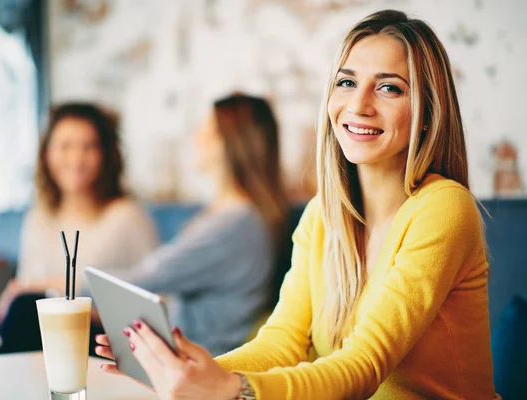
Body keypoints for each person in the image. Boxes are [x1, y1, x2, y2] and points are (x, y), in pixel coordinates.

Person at [94, 10, 499, 399]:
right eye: (346, 83)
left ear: (428, 112)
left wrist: (229, 390)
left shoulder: (445, 208)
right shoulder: (321, 217)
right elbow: (281, 343)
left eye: (389, 87)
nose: (359, 105)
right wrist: (186, 374)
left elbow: (363, 366)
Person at [94, 93, 290, 356]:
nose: (196, 137)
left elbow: (143, 278)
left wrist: (62, 284)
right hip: (182, 354)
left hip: (199, 361)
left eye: (206, 130)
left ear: (228, 144)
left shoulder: (235, 225)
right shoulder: (230, 216)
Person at [0, 102, 158, 336]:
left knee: (25, 308)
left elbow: (158, 302)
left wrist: (74, 311)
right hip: (44, 334)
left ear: (105, 154)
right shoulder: (39, 216)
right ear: (47, 153)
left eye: (88, 147)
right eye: (65, 146)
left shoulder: (126, 218)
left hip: (102, 337)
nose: (76, 159)